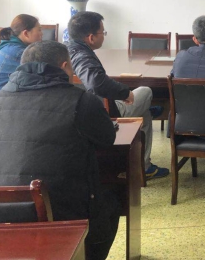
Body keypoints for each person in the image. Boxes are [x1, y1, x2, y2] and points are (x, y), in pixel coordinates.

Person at [0, 41, 119, 260]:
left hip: (2, 211)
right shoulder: (82, 100)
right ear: (65, 66)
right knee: (111, 203)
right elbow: (107, 139)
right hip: (59, 210)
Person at [67, 12, 169, 180]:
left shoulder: (67, 51)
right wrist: (125, 92)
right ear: (91, 38)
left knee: (145, 115)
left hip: (84, 110)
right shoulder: (82, 56)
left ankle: (145, 167)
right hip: (105, 112)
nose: (104, 35)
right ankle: (144, 166)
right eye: (103, 32)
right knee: (146, 91)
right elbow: (95, 83)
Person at [0, 14, 43, 89]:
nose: (42, 33)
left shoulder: (8, 45)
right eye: (39, 30)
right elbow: (43, 75)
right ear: (26, 33)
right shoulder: (20, 52)